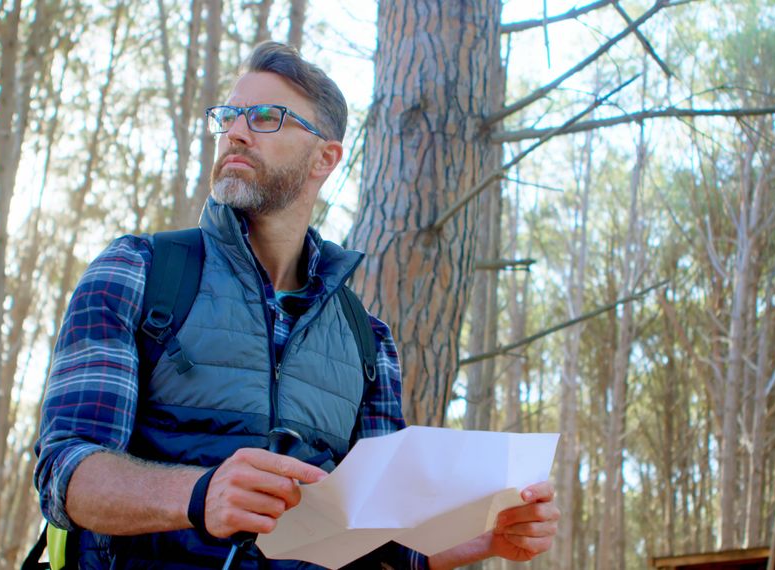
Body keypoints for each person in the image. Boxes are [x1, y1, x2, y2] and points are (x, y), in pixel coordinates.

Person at [33, 41, 559, 569]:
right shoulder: (140, 272)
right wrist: (199, 495)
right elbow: (66, 472)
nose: (236, 132)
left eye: (266, 117)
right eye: (231, 116)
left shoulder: (365, 339)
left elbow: (379, 532)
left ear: (325, 158)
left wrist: (480, 538)